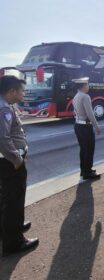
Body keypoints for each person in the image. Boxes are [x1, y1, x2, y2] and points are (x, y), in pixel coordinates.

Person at [0, 75, 39, 256]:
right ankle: (14, 242)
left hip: (6, 161)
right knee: (14, 199)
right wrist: (17, 159)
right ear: (12, 92)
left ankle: (11, 227)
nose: (24, 93)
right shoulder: (3, 109)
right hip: (10, 162)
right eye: (22, 90)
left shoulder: (7, 106)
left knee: (7, 198)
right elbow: (3, 139)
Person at [72, 77, 101, 180]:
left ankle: (83, 170)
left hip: (78, 125)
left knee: (83, 149)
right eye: (87, 85)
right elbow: (90, 113)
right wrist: (96, 126)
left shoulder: (76, 96)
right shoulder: (85, 96)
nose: (88, 86)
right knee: (89, 149)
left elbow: (74, 112)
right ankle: (87, 173)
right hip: (85, 126)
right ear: (84, 86)